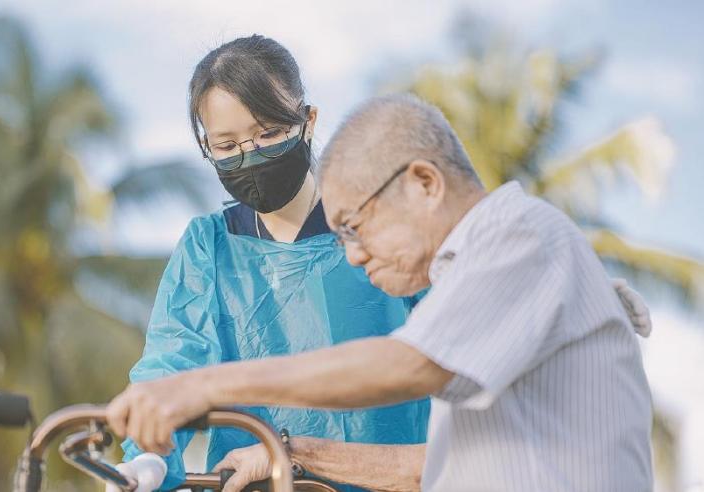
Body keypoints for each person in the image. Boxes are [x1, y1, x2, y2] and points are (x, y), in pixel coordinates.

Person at [107, 94, 655, 492]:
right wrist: (291, 454)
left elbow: (408, 364)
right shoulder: (490, 278)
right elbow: (427, 469)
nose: (351, 254)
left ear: (423, 182)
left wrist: (203, 387)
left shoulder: (520, 237)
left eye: (353, 226)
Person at [116, 37, 431, 491]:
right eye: (227, 146)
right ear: (206, 145)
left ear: (308, 120)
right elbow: (173, 363)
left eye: (268, 134)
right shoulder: (211, 247)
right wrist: (146, 455)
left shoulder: (380, 228)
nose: (251, 155)